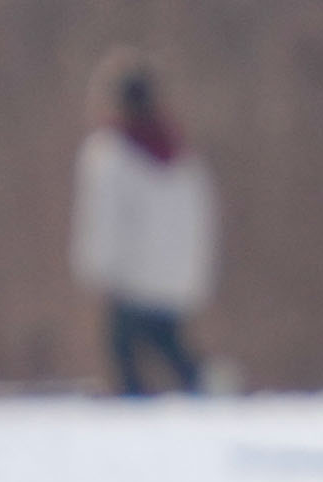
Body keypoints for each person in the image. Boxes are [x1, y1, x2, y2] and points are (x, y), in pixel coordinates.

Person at [74, 59, 218, 397]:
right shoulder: (182, 154)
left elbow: (104, 218)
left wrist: (96, 269)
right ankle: (209, 386)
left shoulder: (109, 153)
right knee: (168, 343)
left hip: (131, 277)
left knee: (123, 350)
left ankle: (137, 408)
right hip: (176, 277)